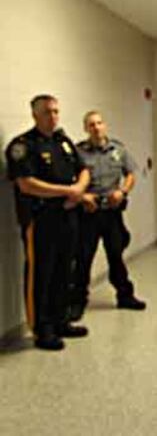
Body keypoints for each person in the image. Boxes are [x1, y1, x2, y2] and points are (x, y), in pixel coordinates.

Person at [4, 94, 90, 350]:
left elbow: (83, 169)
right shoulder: (22, 146)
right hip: (40, 220)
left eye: (55, 111)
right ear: (35, 115)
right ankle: (42, 329)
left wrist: (79, 188)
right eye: (47, 112)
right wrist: (68, 192)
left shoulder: (63, 142)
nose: (53, 116)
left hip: (68, 217)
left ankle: (61, 320)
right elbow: (26, 184)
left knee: (65, 269)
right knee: (42, 273)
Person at [71, 110, 146, 319]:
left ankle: (125, 296)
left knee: (116, 255)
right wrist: (83, 196)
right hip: (89, 213)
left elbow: (130, 174)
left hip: (112, 213)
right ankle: (77, 302)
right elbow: (71, 180)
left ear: (105, 126)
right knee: (83, 259)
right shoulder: (79, 153)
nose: (96, 127)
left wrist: (122, 191)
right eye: (91, 124)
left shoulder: (118, 149)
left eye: (99, 123)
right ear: (86, 129)